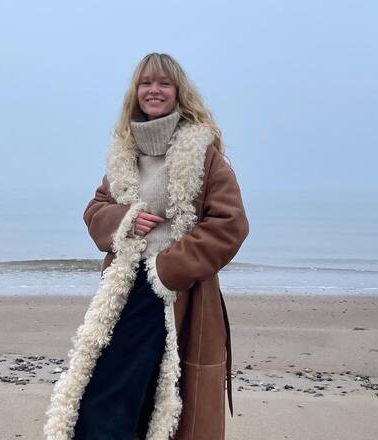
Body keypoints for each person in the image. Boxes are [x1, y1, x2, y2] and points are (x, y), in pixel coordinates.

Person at [44, 52, 249, 440]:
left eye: (164, 83)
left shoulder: (203, 154)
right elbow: (95, 211)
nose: (154, 90)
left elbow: (230, 224)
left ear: (178, 92)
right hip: (123, 289)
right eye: (146, 83)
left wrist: (166, 270)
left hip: (175, 291)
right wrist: (126, 219)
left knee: (143, 399)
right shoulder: (125, 155)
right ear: (135, 92)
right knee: (104, 395)